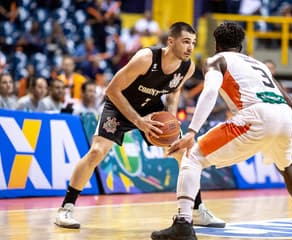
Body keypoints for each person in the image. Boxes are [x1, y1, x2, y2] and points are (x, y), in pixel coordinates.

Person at [151, 22, 292, 240]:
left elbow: (210, 91)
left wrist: (192, 131)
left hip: (255, 116)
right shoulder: (258, 64)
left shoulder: (216, 60)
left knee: (191, 156)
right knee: (286, 167)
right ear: (240, 46)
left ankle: (183, 223)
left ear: (217, 44)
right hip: (284, 116)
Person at [55, 22, 225, 229]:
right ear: (171, 41)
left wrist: (171, 119)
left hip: (151, 109)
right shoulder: (146, 58)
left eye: (193, 43)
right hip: (120, 105)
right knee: (96, 152)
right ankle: (66, 208)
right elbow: (112, 90)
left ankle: (197, 210)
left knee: (185, 154)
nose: (191, 47)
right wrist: (138, 121)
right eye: (186, 42)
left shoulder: (187, 68)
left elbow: (173, 92)